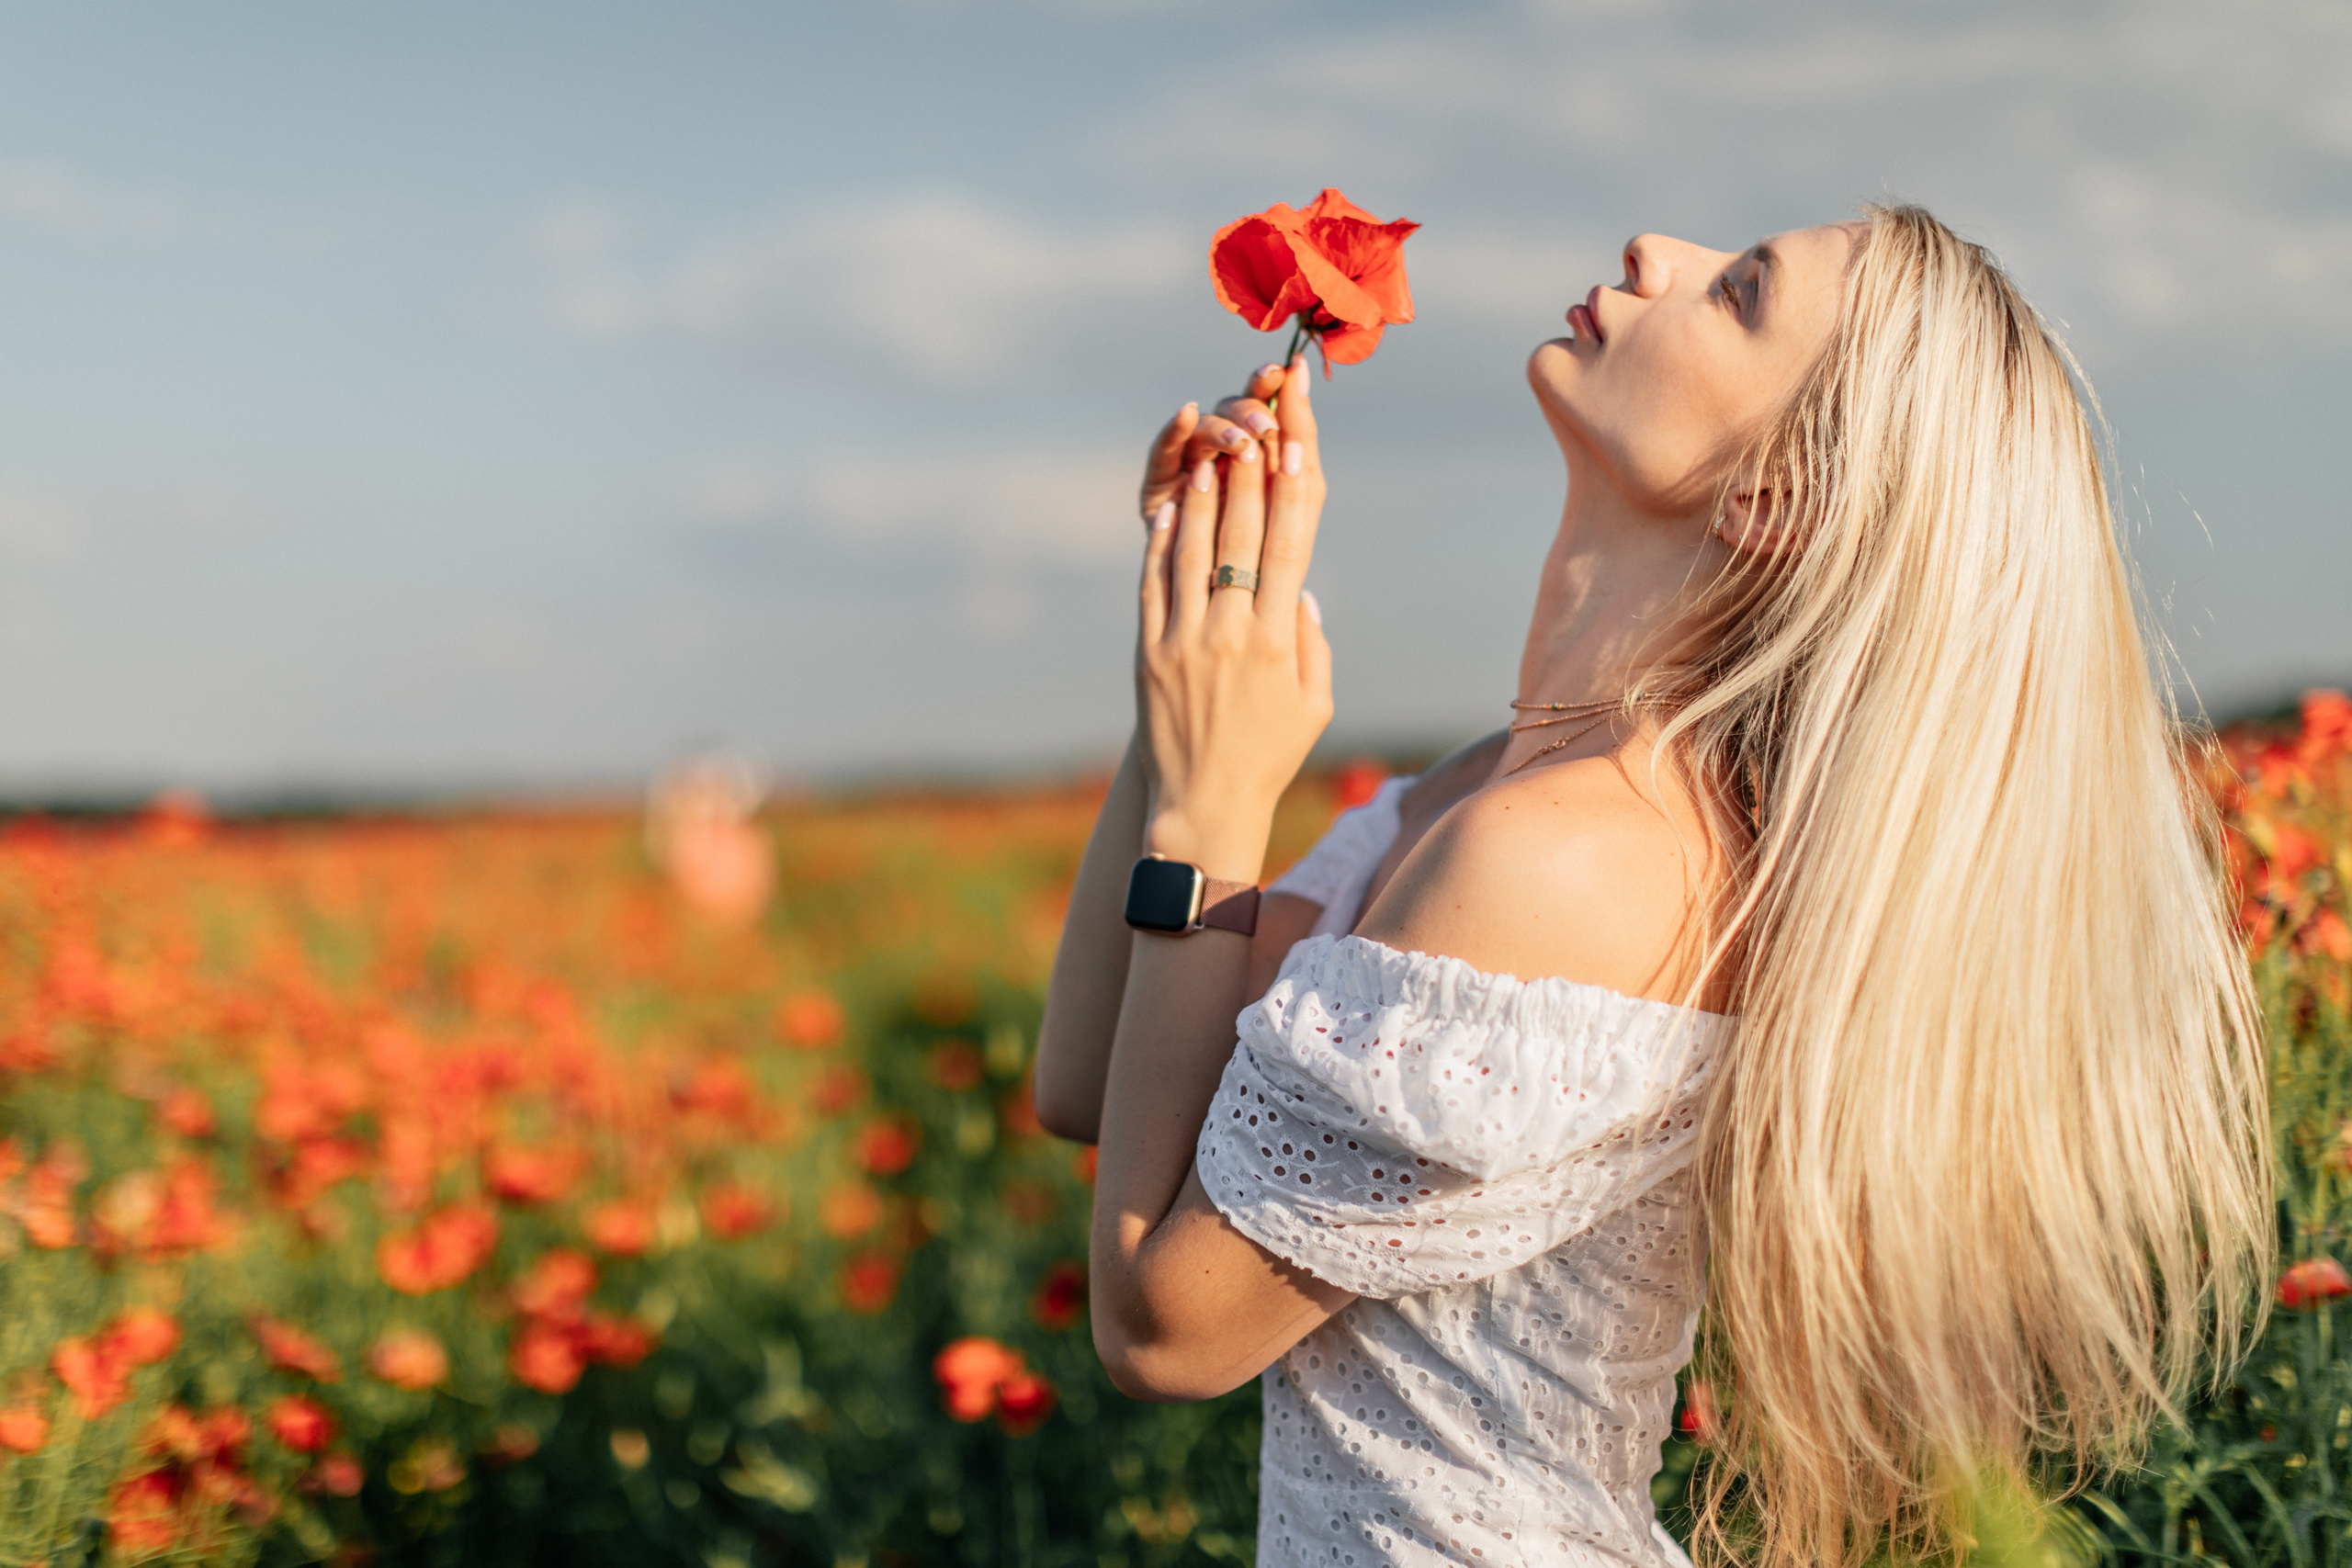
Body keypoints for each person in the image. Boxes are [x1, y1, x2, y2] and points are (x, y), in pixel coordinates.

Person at [1031, 205, 2270, 1568]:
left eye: (1738, 293)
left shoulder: (1570, 858)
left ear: (1776, 496)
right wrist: (1187, 686)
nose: (1649, 249)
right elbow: (1097, 1081)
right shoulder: (1484, 791)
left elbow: (1165, 1327)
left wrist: (1216, 804)